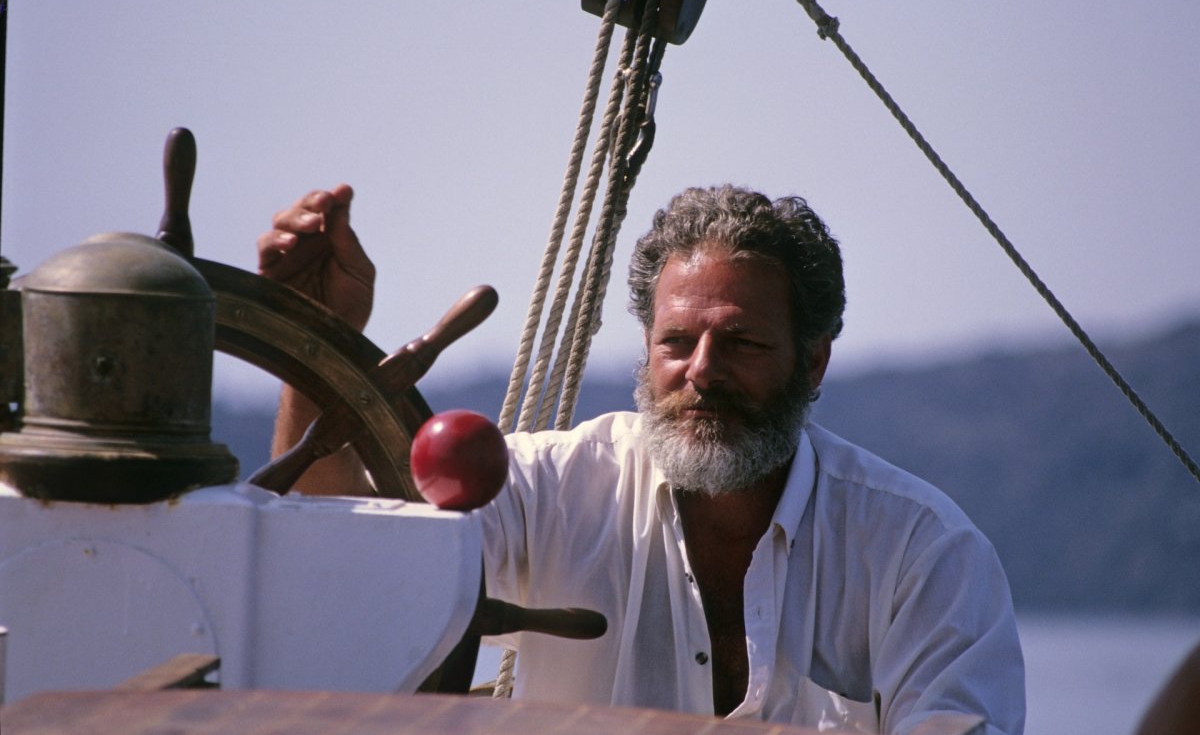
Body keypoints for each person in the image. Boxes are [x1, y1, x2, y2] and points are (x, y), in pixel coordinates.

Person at [259, 183, 1026, 734]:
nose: (703, 371)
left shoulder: (923, 554)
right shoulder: (555, 489)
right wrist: (310, 341)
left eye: (744, 342)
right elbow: (347, 559)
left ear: (814, 362)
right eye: (676, 342)